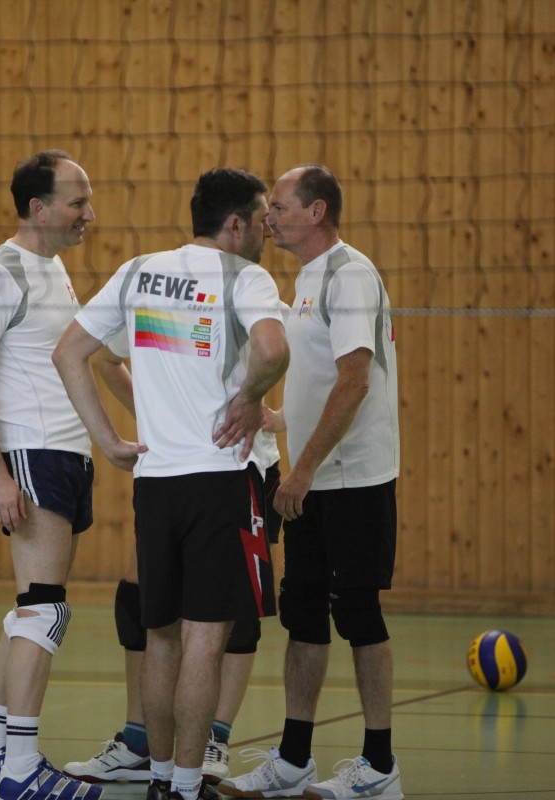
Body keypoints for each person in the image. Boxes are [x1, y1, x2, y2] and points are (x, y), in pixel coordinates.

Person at [52, 168, 289, 800]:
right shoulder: (245, 277)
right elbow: (273, 350)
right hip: (221, 480)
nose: (267, 231)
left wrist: (108, 440)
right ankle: (186, 786)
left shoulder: (138, 271)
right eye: (260, 219)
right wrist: (251, 398)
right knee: (205, 642)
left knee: (160, 640)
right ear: (234, 224)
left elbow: (70, 352)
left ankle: (158, 780)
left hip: (155, 482)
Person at [218, 165, 404, 800]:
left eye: (279, 206)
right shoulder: (306, 280)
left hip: (353, 480)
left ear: (316, 211)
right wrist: (279, 417)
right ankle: (294, 758)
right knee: (303, 615)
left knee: (358, 612)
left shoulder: (350, 275)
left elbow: (354, 381)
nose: (269, 217)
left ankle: (379, 766)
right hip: (316, 481)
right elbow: (320, 378)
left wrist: (299, 469)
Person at [65, 338, 285, 787]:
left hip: (239, 464)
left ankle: (214, 736)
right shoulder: (151, 302)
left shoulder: (251, 305)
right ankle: (140, 741)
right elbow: (106, 358)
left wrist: (278, 417)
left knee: (232, 613)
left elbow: (286, 353)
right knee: (141, 600)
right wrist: (156, 416)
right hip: (168, 467)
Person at [0, 149, 102, 800]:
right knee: (45, 609)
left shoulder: (54, 268)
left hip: (64, 454)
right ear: (38, 209)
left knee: (31, 611)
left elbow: (86, 358)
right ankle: (21, 768)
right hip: (32, 453)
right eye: (77, 202)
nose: (89, 214)